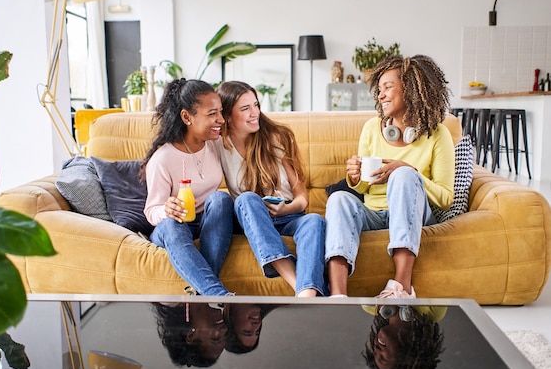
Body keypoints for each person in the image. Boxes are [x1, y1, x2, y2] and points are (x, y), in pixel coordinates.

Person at [325, 55, 454, 298]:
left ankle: (401, 287)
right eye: (379, 89)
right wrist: (354, 178)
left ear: (411, 89)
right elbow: (364, 188)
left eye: (388, 87)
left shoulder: (438, 135)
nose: (380, 95)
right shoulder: (372, 128)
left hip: (413, 213)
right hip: (373, 213)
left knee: (404, 175)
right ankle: (338, 295)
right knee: (339, 199)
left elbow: (446, 198)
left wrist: (410, 171)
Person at [216, 80, 326, 297]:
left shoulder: (277, 137)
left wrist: (287, 209)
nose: (254, 113)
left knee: (315, 221)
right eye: (245, 108)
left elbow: (302, 197)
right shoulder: (218, 145)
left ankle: (309, 295)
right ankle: (298, 285)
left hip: (288, 216)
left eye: (256, 105)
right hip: (252, 219)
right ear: (227, 115)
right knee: (246, 199)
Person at [140, 78, 234, 296]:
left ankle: (202, 289)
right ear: (186, 117)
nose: (220, 119)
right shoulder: (163, 159)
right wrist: (166, 209)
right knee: (171, 225)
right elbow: (151, 211)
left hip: (207, 223)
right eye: (212, 114)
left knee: (221, 200)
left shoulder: (215, 144)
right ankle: (217, 295)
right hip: (176, 226)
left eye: (220, 112)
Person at [362, 304, 446, 369]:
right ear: (407, 356)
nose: (376, 350)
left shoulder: (370, 305)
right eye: (383, 359)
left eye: (375, 354)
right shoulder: (433, 311)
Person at [152, 302, 228, 367]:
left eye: (215, 338)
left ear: (191, 335)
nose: (224, 330)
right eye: (225, 336)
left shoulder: (170, 297)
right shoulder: (199, 296)